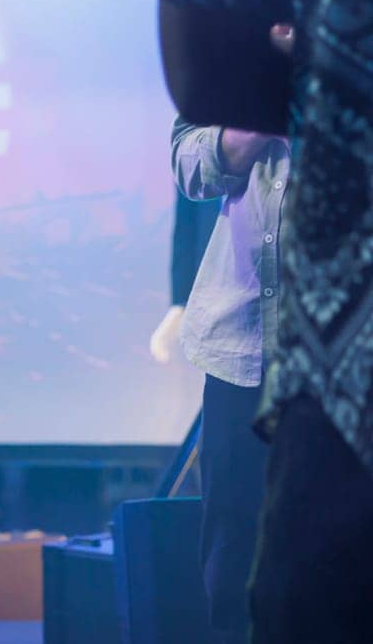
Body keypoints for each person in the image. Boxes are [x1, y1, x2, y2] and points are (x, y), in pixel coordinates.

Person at [145, 0, 373, 634]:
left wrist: (315, 66)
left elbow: (200, 69)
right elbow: (196, 139)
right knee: (233, 558)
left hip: (335, 335)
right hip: (251, 330)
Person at [167, 119, 285, 644]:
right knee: (232, 562)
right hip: (244, 346)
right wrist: (251, 122)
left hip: (350, 354)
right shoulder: (242, 41)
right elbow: (187, 163)